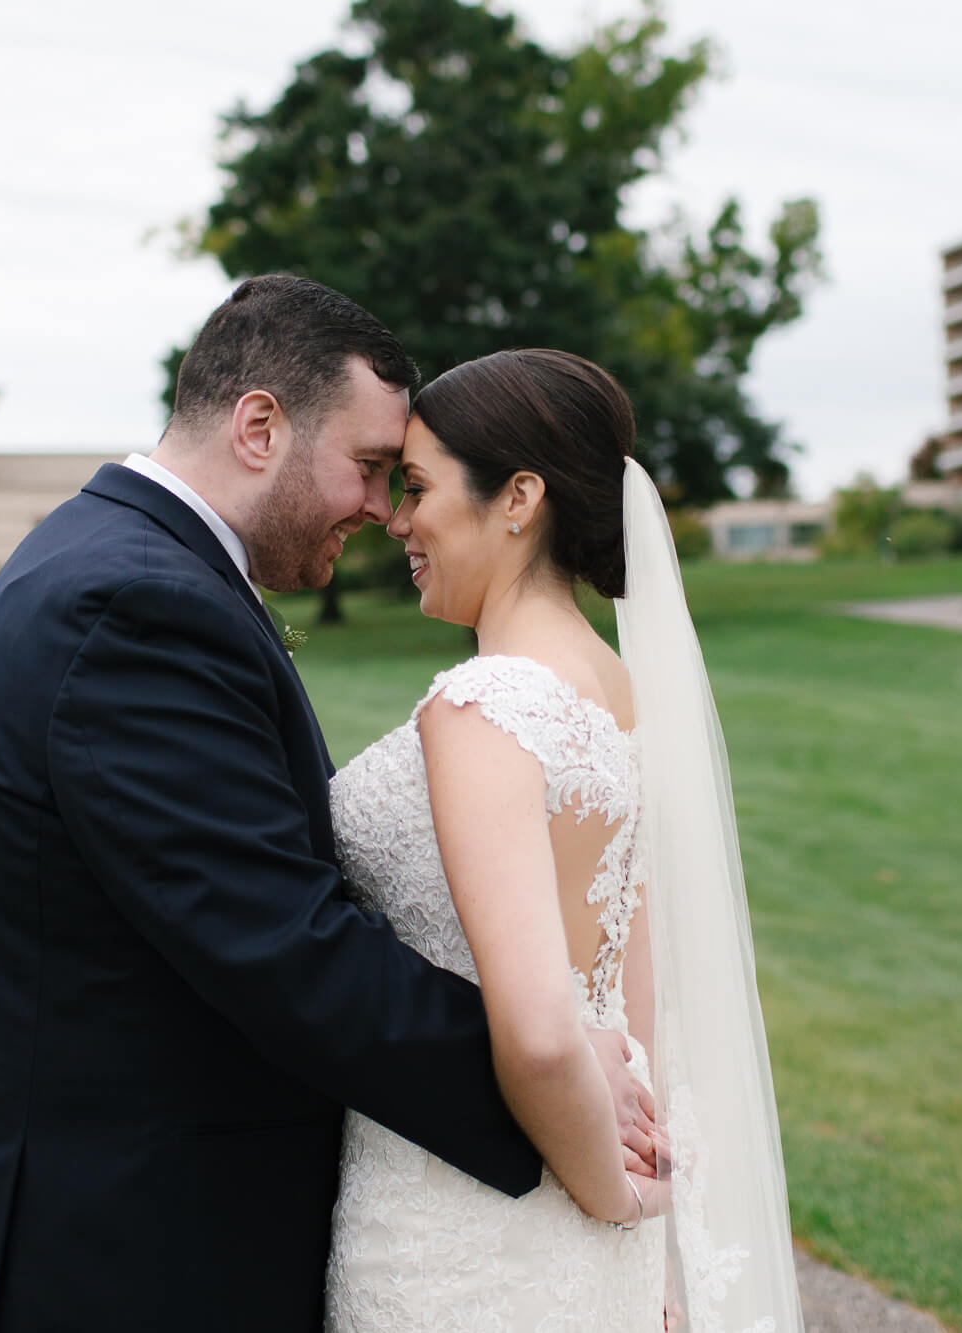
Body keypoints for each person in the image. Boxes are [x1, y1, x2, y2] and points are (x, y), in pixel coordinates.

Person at [0, 278, 657, 1332]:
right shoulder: (133, 604)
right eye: (372, 469)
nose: (382, 511)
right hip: (101, 1251)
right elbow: (282, 944)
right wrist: (547, 1076)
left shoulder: (131, 567)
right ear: (258, 426)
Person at [324, 349, 805, 1330]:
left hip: (461, 1214)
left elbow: (542, 1032)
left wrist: (613, 1195)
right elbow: (637, 983)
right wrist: (648, 1244)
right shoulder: (620, 693)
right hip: (585, 1227)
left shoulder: (482, 706)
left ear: (519, 497)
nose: (398, 521)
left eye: (416, 489)